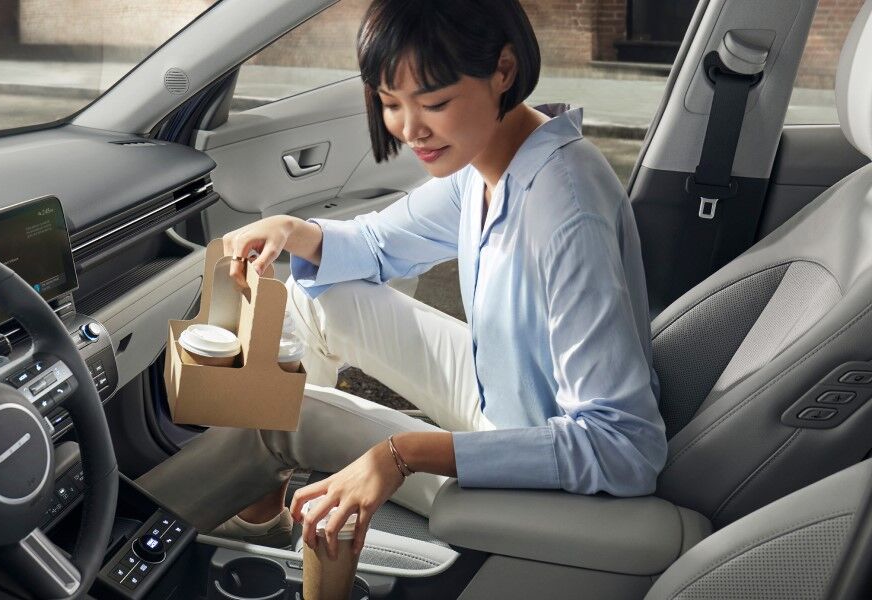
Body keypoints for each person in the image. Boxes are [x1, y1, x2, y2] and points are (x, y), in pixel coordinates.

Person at [138, 0, 667, 560]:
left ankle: (119, 548)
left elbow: (624, 448)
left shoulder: (565, 211)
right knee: (317, 298)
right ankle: (262, 510)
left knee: (284, 419)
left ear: (504, 70)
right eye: (391, 104)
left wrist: (401, 454)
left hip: (536, 463)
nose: (410, 130)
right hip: (503, 391)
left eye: (434, 102)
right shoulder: (493, 165)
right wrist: (291, 229)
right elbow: (378, 243)